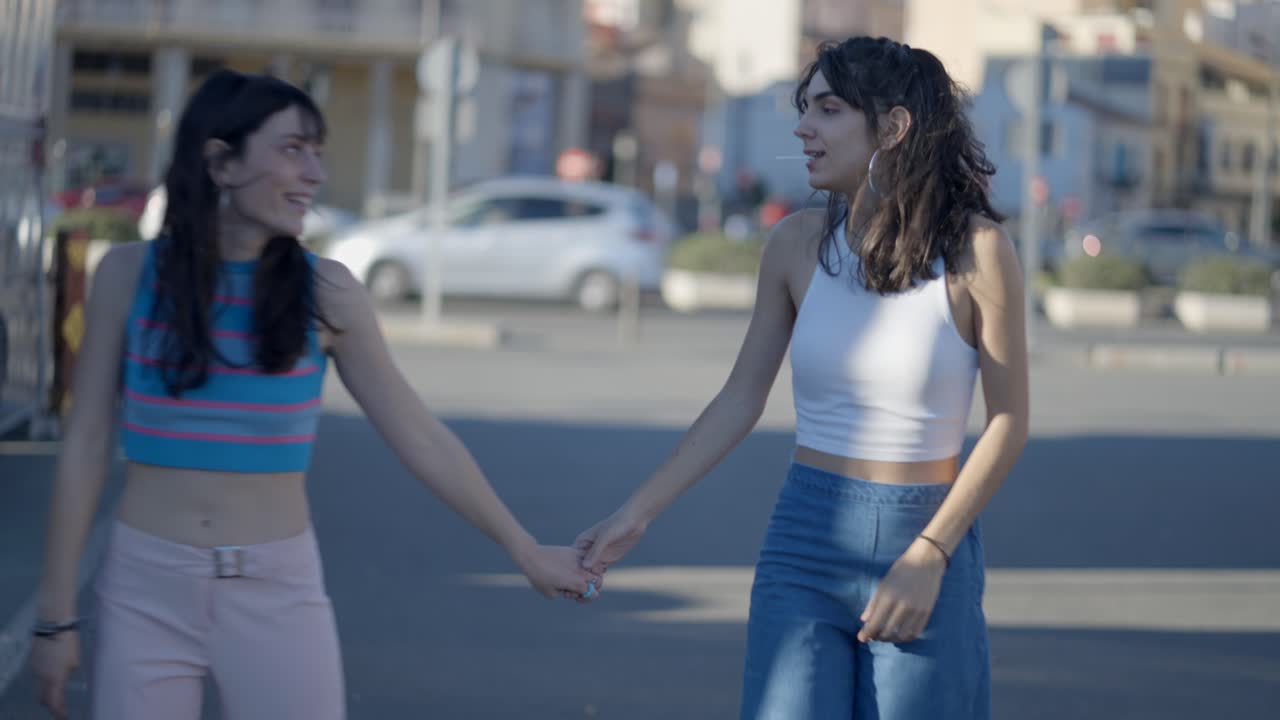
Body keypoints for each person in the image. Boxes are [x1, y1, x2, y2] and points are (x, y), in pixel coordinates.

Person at [30, 69, 601, 720]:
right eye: (292, 149)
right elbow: (86, 445)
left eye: (318, 152)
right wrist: (55, 620)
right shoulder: (127, 278)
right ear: (220, 162)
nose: (314, 174)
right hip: (144, 589)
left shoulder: (327, 293)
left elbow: (418, 432)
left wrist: (524, 549)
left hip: (278, 592)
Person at [575, 36, 1029, 719]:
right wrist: (637, 512)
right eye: (804, 108)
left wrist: (932, 551)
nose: (803, 127)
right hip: (804, 536)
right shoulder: (793, 246)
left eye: (828, 109)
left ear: (893, 126)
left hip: (925, 535)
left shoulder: (977, 253)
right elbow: (739, 398)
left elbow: (1008, 421)